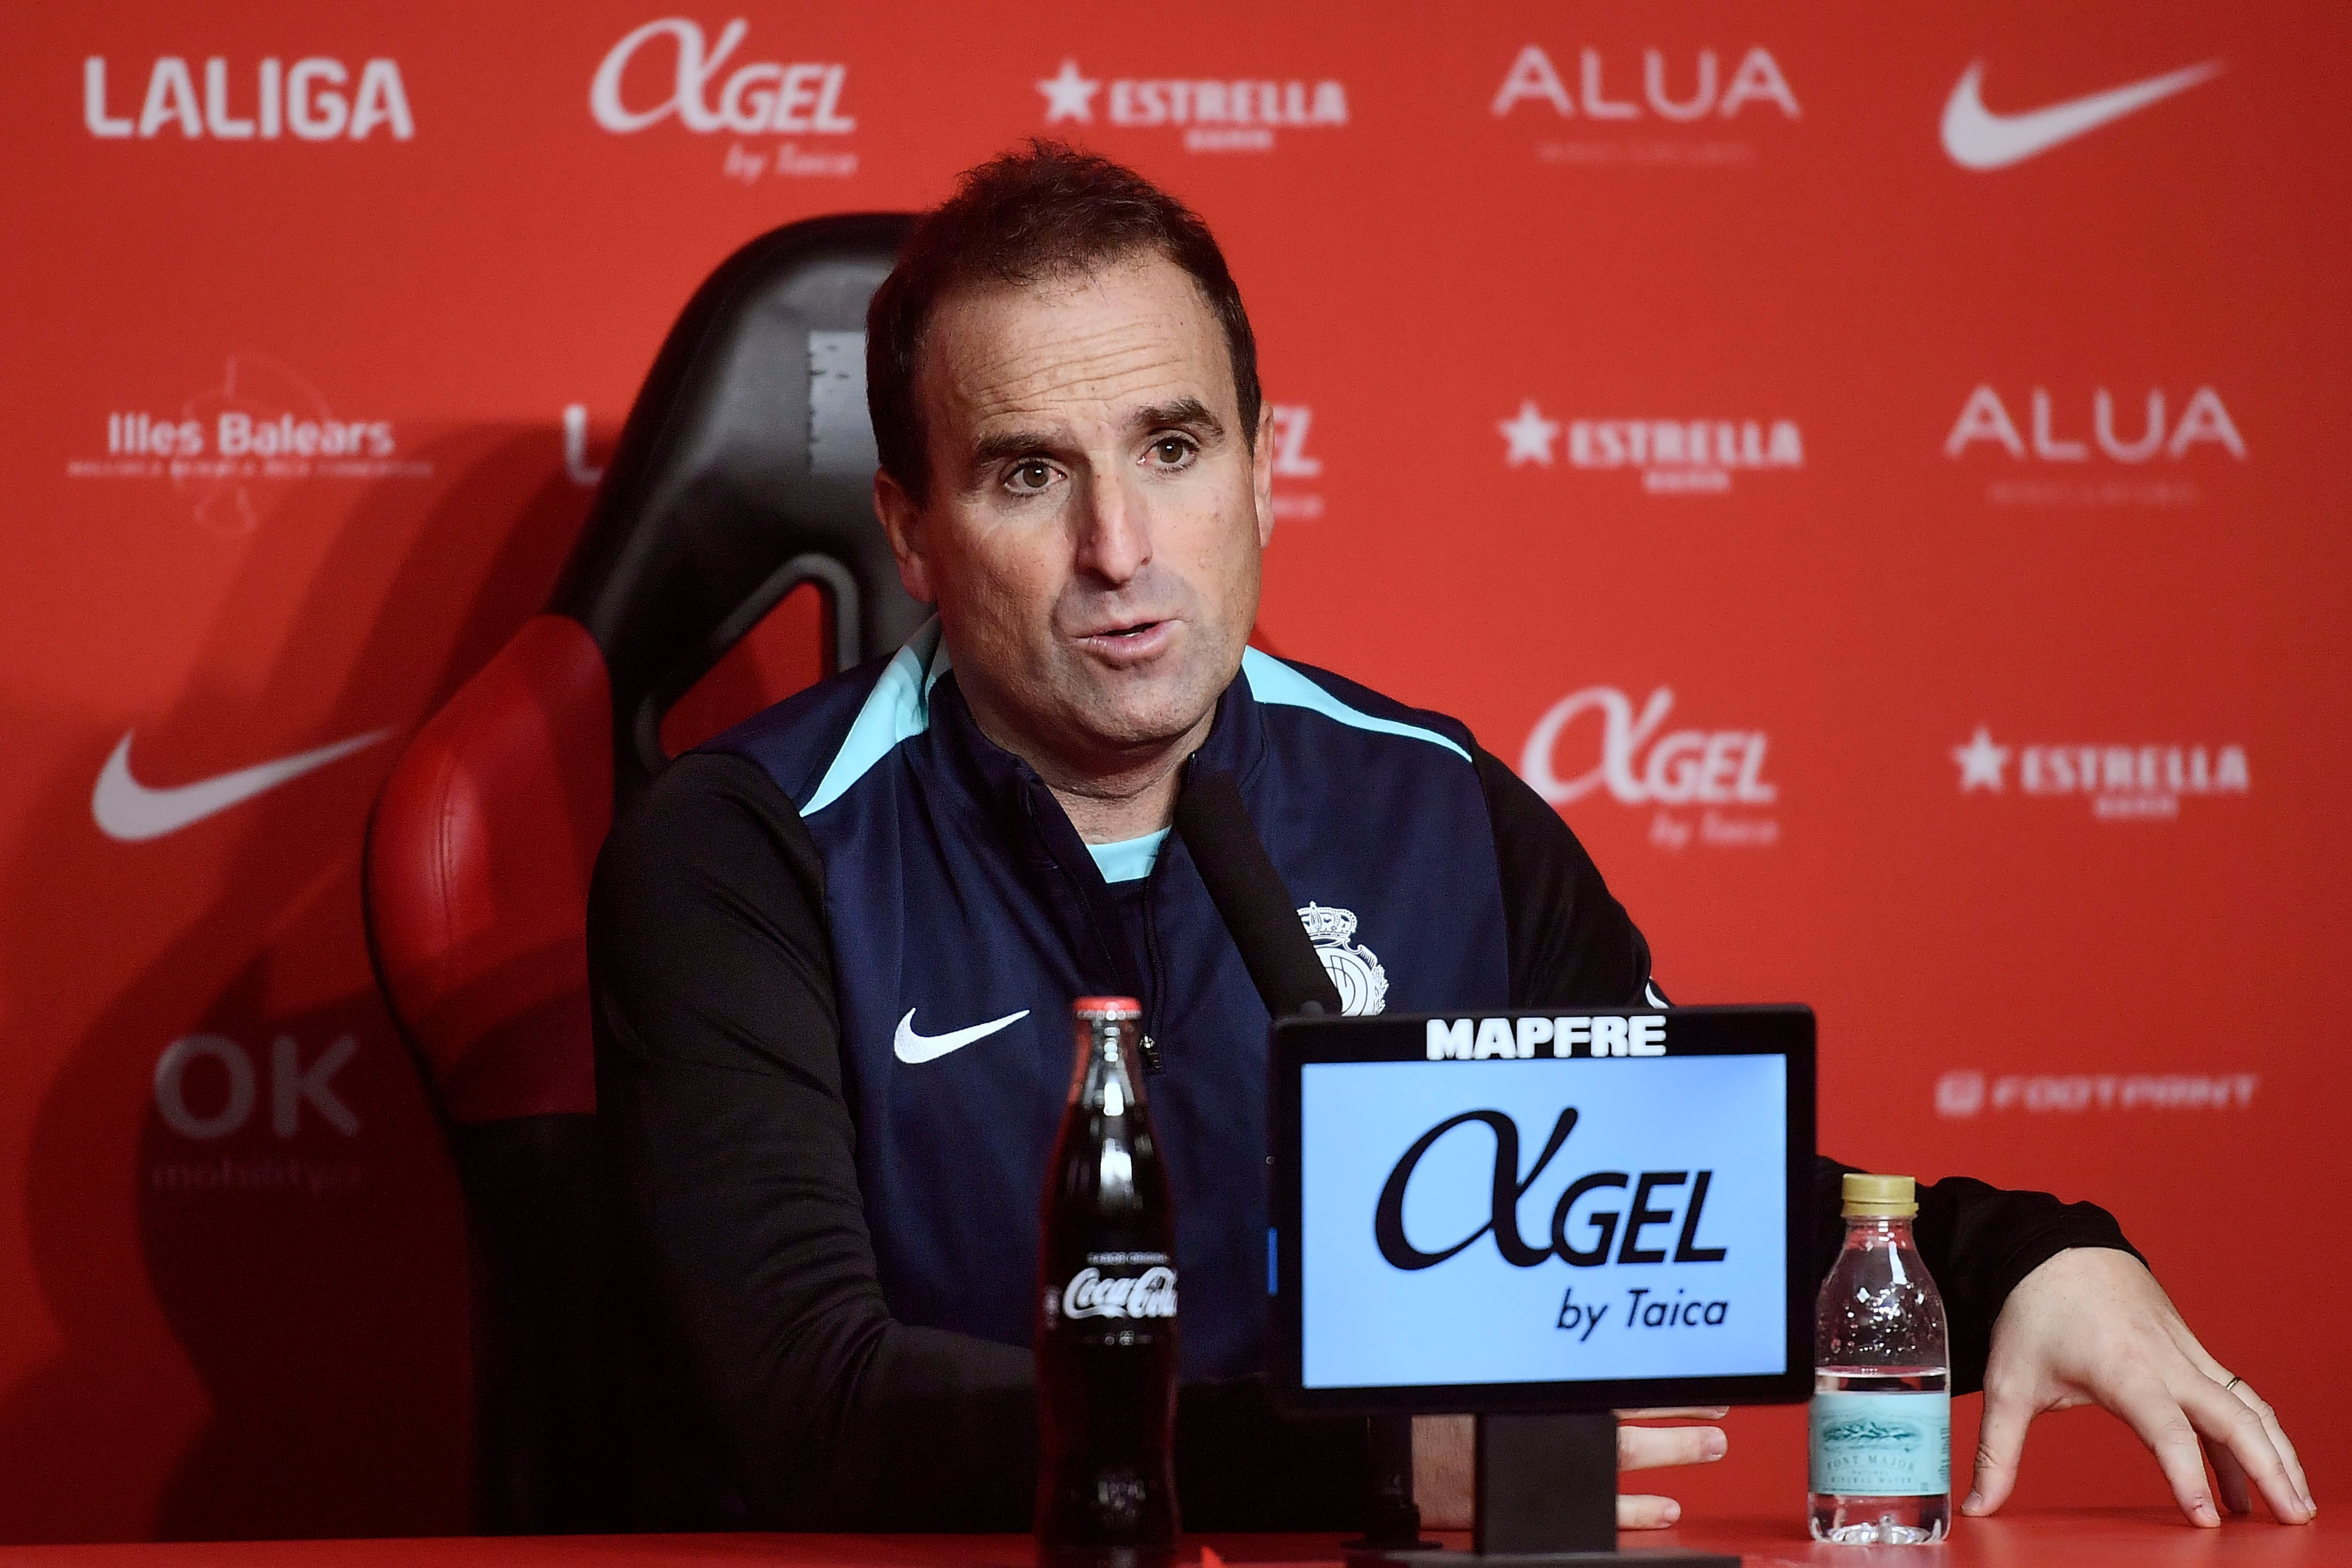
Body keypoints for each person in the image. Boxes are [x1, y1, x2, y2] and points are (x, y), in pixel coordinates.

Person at [588, 141, 2313, 1535]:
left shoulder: (1442, 813)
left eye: (1173, 448)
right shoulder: (742, 856)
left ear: (1262, 471)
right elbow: (809, 1403)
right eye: (1030, 474)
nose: (1122, 545)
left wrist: (2021, 1258)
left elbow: (1675, 1235)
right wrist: (1368, 1469)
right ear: (910, 528)